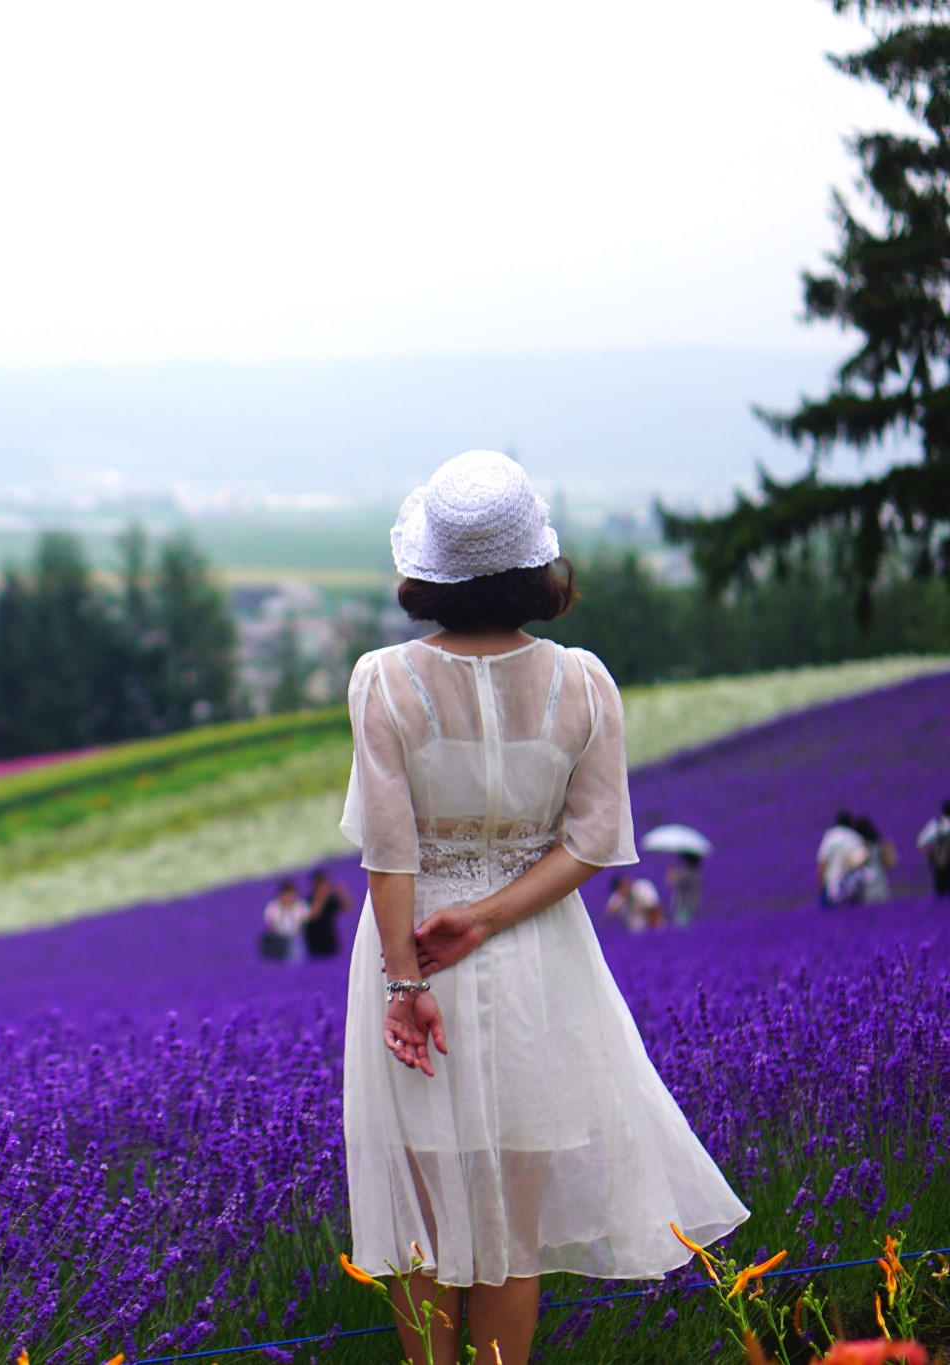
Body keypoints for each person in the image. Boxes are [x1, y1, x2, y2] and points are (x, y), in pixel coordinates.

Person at [339, 452, 746, 1365]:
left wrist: (405, 978)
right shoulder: (584, 682)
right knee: (509, 1236)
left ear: (428, 567)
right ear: (535, 566)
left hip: (414, 955)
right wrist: (488, 916)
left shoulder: (385, 680)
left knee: (423, 1230)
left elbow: (389, 849)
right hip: (534, 953)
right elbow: (595, 839)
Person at [816, 811, 867, 906]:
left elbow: (822, 861)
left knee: (829, 914)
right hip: (851, 882)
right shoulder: (855, 837)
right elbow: (861, 861)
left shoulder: (830, 837)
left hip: (831, 882)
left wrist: (820, 880)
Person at [305, 867, 349, 959]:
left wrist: (342, 893)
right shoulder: (308, 900)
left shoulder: (330, 900)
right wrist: (321, 896)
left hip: (330, 942)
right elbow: (313, 915)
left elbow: (347, 907)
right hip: (314, 944)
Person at [261, 880, 309, 962]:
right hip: (278, 939)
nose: (288, 898)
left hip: (296, 938)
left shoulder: (300, 906)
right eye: (285, 895)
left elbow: (304, 922)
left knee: (296, 959)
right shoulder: (273, 906)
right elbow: (270, 922)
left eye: (291, 895)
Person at [920, 799, 950, 898]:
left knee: (940, 891)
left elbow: (921, 842)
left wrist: (930, 856)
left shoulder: (936, 825)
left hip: (938, 863)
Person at [664, 853, 703, 927]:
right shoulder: (697, 873)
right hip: (691, 906)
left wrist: (672, 869)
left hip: (683, 907)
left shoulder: (688, 873)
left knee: (680, 928)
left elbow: (671, 882)